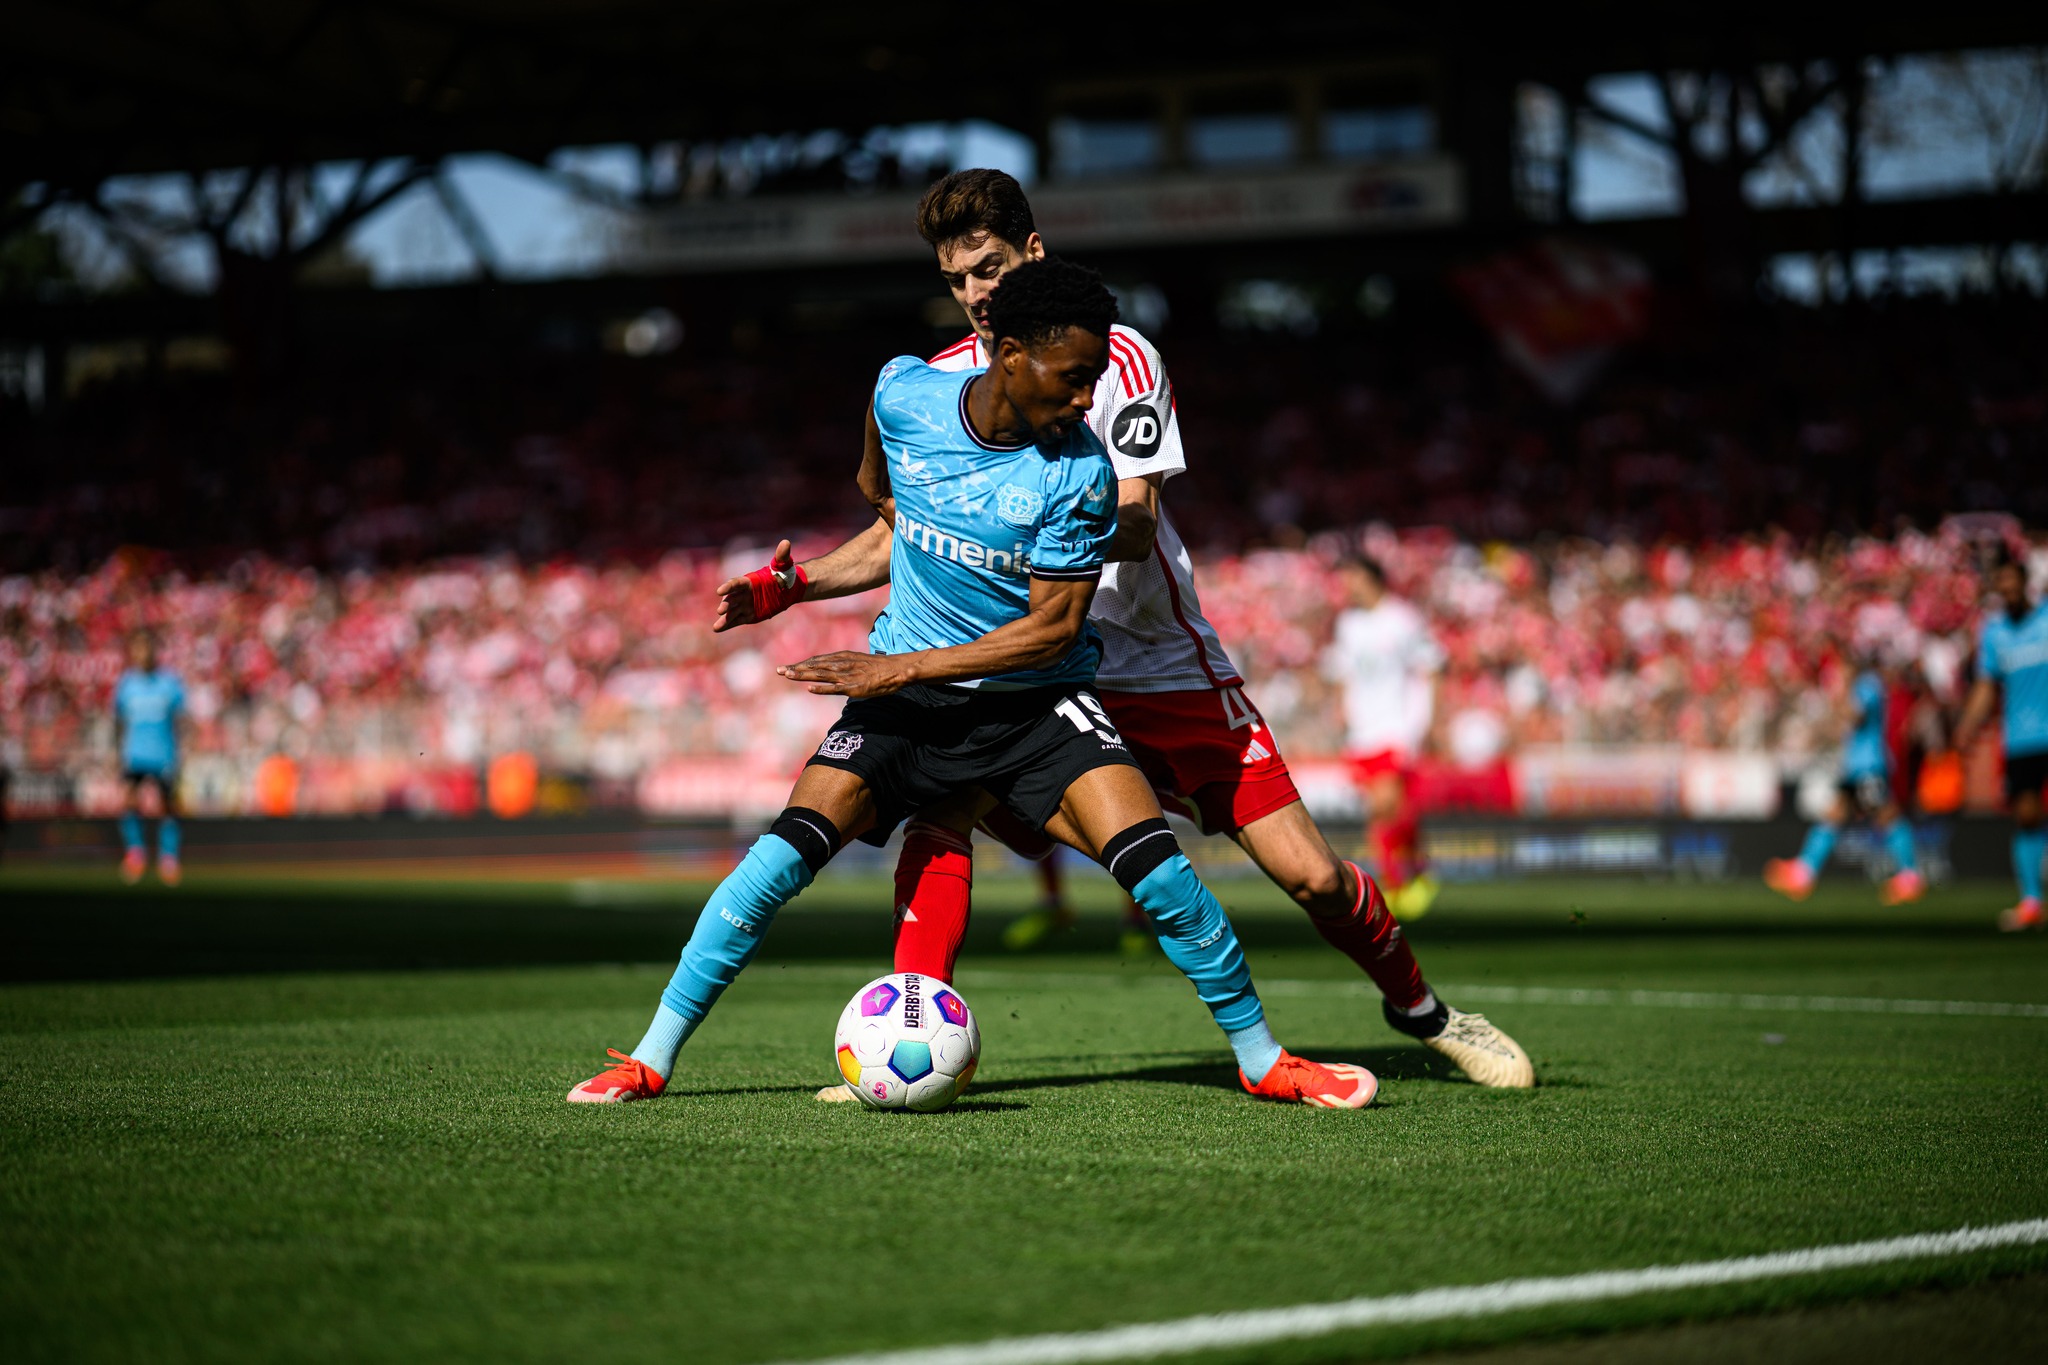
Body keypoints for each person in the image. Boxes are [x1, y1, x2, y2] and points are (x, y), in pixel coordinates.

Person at [718, 170, 1531, 1091]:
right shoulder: (942, 386)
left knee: (1312, 878)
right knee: (942, 820)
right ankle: (907, 1045)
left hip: (1162, 665)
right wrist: (794, 584)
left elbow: (1138, 518)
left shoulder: (1119, 360)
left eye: (988, 267)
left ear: (1030, 252)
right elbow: (899, 536)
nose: (977, 293)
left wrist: (1039, 522)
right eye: (957, 280)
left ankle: (1427, 1013)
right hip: (1043, 674)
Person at [569, 258, 1376, 1108]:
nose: (1084, 400)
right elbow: (877, 487)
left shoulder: (1078, 473)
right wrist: (812, 581)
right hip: (907, 708)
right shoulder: (903, 393)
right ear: (1012, 354)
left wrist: (898, 665)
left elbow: (1051, 631)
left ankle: (1261, 1058)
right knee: (773, 864)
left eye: (1096, 380)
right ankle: (651, 1058)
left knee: (1164, 875)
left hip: (1037, 704)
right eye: (1073, 380)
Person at [1322, 555, 1444, 920]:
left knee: (1383, 805)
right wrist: (1341, 709)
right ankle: (1417, 873)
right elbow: (1343, 672)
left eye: (1351, 578)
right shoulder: (1348, 624)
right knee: (1386, 811)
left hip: (1397, 726)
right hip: (1362, 732)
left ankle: (1393, 885)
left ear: (1372, 578)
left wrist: (1425, 721)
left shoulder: (1403, 618)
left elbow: (1430, 667)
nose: (1347, 587)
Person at [1763, 658, 1925, 906]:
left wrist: (1837, 697)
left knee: (1886, 815)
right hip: (1856, 767)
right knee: (1834, 814)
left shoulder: (1867, 685)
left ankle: (1910, 876)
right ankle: (1804, 872)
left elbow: (1856, 716)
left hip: (1870, 766)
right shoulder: (1858, 687)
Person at [1955, 552, 2048, 932]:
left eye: (2011, 582)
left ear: (2024, 583)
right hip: (2022, 739)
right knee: (2026, 816)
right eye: (2001, 585)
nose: (2007, 590)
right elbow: (1985, 686)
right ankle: (2031, 902)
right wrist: (1968, 725)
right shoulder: (1994, 632)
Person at [113, 632, 186, 886]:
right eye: (138, 649)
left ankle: (169, 858)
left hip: (164, 754)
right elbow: (119, 721)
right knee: (130, 801)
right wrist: (116, 752)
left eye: (147, 648)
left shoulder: (169, 682)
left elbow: (180, 721)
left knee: (168, 807)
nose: (143, 654)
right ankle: (136, 854)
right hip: (134, 753)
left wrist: (181, 752)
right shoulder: (126, 684)